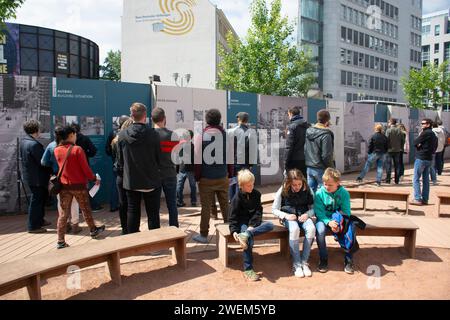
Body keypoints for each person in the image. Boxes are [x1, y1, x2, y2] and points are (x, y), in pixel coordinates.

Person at [54, 125, 105, 249]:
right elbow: (85, 169)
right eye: (75, 134)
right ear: (71, 135)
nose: (76, 136)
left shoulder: (57, 149)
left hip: (64, 186)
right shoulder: (77, 149)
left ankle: (60, 241)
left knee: (63, 213)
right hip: (79, 185)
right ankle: (93, 230)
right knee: (85, 209)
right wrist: (94, 178)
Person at [118, 103, 162, 233]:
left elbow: (120, 160)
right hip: (151, 179)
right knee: (153, 213)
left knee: (133, 211)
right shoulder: (153, 134)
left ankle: (133, 243)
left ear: (131, 116)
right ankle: (155, 245)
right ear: (145, 115)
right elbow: (158, 158)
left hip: (131, 180)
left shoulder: (123, 135)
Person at [193, 109, 233, 243]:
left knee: (205, 207)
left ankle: (204, 235)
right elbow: (230, 158)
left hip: (206, 178)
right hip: (222, 176)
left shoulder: (201, 136)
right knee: (225, 205)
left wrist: (197, 177)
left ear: (207, 120)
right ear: (219, 119)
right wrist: (230, 174)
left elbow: (197, 160)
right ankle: (230, 231)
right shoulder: (226, 136)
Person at [229, 170, 274, 281]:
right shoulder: (237, 198)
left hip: (254, 223)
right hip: (242, 223)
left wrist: (251, 226)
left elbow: (258, 212)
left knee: (270, 225)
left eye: (252, 184)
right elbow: (232, 216)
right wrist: (234, 231)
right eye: (249, 185)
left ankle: (246, 234)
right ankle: (248, 269)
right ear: (241, 186)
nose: (251, 187)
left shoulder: (257, 194)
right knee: (249, 241)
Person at [272, 169, 316, 278]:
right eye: (294, 185)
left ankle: (304, 262)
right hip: (289, 217)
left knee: (311, 228)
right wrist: (286, 216)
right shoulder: (283, 189)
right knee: (295, 229)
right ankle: (296, 264)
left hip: (303, 216)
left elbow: (315, 208)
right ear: (289, 183)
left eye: (299, 184)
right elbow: (274, 209)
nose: (297, 187)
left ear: (303, 182)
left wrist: (308, 214)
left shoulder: (308, 189)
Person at [41, 126, 81, 234]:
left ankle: (66, 224)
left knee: (61, 202)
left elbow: (44, 162)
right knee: (74, 201)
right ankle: (75, 224)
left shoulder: (51, 146)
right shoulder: (73, 146)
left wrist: (54, 165)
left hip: (57, 177)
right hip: (71, 177)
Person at [315, 168, 355, 274]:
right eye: (325, 184)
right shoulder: (319, 193)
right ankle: (323, 259)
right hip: (323, 219)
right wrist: (328, 222)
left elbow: (346, 212)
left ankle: (348, 259)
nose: (327, 187)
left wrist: (338, 224)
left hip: (338, 219)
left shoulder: (344, 193)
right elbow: (319, 212)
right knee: (320, 231)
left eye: (330, 185)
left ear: (338, 183)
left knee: (350, 229)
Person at [20, 120, 51, 234]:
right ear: (36, 130)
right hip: (38, 178)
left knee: (39, 200)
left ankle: (40, 220)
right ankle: (33, 226)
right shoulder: (34, 145)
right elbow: (43, 162)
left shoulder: (24, 141)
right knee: (37, 201)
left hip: (31, 176)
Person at [152, 108, 180, 228]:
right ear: (164, 119)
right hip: (169, 173)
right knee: (172, 204)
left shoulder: (149, 134)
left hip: (154, 175)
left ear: (153, 119)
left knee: (154, 206)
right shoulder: (172, 135)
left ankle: (156, 231)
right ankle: (174, 229)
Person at [71, 123, 102, 211]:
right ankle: (91, 206)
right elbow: (93, 151)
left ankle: (83, 207)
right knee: (84, 186)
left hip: (72, 166)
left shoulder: (68, 141)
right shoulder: (84, 138)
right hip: (83, 164)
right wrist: (85, 155)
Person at [111, 118, 134, 235]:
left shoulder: (115, 140)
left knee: (122, 202)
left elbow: (114, 157)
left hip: (119, 174)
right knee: (132, 203)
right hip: (129, 174)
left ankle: (124, 228)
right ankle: (131, 228)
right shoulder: (129, 140)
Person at [228, 112, 257, 202]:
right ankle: (240, 203)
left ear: (238, 119)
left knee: (232, 183)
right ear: (247, 120)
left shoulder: (231, 131)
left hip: (233, 162)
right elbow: (253, 149)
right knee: (243, 183)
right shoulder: (251, 132)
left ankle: (232, 203)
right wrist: (251, 163)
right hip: (245, 163)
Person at [305, 110, 334, 193]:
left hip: (310, 166)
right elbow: (326, 155)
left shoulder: (308, 131)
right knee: (325, 192)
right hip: (321, 167)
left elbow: (305, 148)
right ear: (328, 120)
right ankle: (322, 206)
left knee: (310, 192)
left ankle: (311, 206)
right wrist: (331, 168)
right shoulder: (326, 134)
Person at [410, 119, 438, 206]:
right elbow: (435, 146)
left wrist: (419, 147)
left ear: (428, 124)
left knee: (416, 179)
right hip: (429, 158)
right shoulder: (433, 134)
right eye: (421, 123)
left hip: (421, 158)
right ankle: (425, 199)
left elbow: (415, 142)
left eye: (423, 123)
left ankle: (417, 199)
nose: (422, 124)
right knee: (426, 180)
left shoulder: (426, 133)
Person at [105, 116, 130, 212]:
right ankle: (125, 206)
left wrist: (113, 156)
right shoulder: (126, 133)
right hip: (125, 164)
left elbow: (107, 149)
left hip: (115, 163)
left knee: (115, 184)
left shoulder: (113, 133)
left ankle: (114, 205)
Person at [284, 107, 309, 178]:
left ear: (291, 114)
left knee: (292, 181)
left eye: (288, 114)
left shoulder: (292, 127)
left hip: (294, 160)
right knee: (303, 181)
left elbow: (289, 146)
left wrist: (286, 162)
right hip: (306, 159)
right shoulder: (308, 125)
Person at [176, 130, 197, 207]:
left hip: (183, 169)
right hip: (190, 169)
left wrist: (177, 169)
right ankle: (193, 201)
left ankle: (179, 201)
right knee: (192, 186)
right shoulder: (193, 146)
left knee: (180, 186)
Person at [385, 118, 405, 185]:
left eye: (389, 122)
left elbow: (386, 140)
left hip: (389, 150)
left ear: (391, 123)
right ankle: (397, 180)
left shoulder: (388, 130)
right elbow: (403, 140)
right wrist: (401, 148)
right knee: (397, 166)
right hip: (397, 150)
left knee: (388, 165)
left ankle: (388, 180)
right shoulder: (399, 130)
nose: (388, 123)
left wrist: (386, 148)